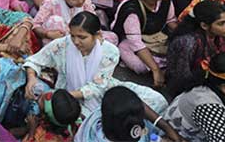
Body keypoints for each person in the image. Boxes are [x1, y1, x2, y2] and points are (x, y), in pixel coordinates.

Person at [25, 12, 169, 118]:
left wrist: (65, 96)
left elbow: (97, 86)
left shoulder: (110, 51)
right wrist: (31, 78)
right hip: (67, 90)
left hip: (102, 90)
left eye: (82, 37)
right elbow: (35, 60)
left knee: (157, 101)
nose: (75, 42)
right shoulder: (62, 44)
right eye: (73, 35)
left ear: (97, 35)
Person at [111, 0, 176, 82]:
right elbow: (136, 43)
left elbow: (170, 21)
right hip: (129, 42)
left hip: (155, 38)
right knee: (140, 67)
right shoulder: (131, 9)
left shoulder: (165, 0)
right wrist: (155, 69)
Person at [166, 1, 225, 98]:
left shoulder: (218, 36)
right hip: (188, 88)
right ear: (204, 26)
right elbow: (181, 78)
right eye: (222, 23)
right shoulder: (187, 43)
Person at [32, 0, 100, 44]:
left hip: (80, 37)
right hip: (57, 39)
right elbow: (35, 25)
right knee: (56, 20)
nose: (80, 1)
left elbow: (93, 20)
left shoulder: (86, 0)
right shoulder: (51, 3)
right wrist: (48, 34)